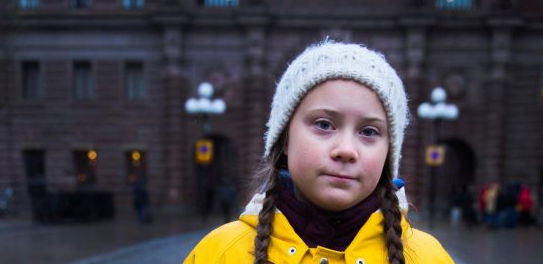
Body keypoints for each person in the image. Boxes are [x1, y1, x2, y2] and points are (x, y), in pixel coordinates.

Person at [184, 41, 454, 263]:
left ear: (388, 153)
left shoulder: (429, 258)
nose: (346, 150)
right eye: (324, 124)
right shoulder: (219, 253)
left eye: (369, 132)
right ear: (285, 138)